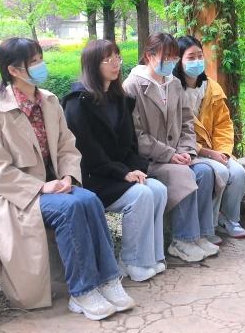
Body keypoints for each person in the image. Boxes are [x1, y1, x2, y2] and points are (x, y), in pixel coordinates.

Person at [0, 37, 134, 323]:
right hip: (14, 194)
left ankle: (108, 279)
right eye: (33, 62)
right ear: (14, 70)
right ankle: (82, 291)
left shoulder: (49, 101)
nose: (41, 66)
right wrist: (40, 186)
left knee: (90, 200)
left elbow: (66, 146)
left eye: (40, 59)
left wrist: (68, 176)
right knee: (70, 208)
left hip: (55, 185)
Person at [62, 39, 169, 282]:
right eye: (107, 59)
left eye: (117, 58)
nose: (115, 64)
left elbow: (130, 144)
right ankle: (130, 261)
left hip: (118, 172)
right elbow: (87, 151)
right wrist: (123, 173)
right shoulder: (78, 102)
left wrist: (135, 169)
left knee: (158, 189)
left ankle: (150, 257)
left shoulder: (119, 98)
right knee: (141, 194)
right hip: (93, 178)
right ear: (92, 64)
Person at [124, 33, 219, 263]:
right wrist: (169, 154)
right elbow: (136, 135)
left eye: (173, 57)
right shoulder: (132, 86)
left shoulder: (174, 83)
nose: (170, 62)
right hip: (151, 160)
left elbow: (187, 122)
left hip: (178, 155)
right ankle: (182, 240)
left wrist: (186, 150)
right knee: (182, 174)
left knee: (205, 171)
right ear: (149, 56)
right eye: (165, 57)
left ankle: (201, 234)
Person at [174, 34, 245, 240]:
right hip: (189, 151)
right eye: (191, 57)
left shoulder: (212, 88)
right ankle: (209, 225)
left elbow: (224, 124)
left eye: (200, 56)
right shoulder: (173, 89)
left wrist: (223, 151)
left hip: (215, 150)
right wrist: (208, 153)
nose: (197, 61)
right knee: (219, 172)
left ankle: (229, 219)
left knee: (239, 173)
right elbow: (177, 133)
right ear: (178, 61)